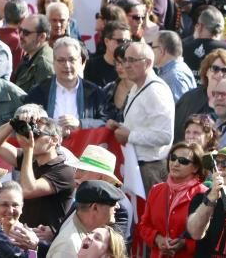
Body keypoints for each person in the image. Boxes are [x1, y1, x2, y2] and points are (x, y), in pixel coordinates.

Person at [0, 108, 76, 231]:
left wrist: (28, 150)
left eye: (36, 134)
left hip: (46, 238)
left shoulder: (64, 169)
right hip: (24, 233)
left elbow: (28, 190)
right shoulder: (29, 158)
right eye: (30, 132)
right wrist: (14, 122)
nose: (31, 137)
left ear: (54, 140)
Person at [106, 42, 174, 192]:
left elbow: (164, 136)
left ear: (147, 63)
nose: (126, 65)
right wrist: (119, 127)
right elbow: (140, 124)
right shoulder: (137, 87)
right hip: (136, 165)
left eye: (132, 60)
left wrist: (130, 136)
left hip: (151, 169)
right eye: (125, 60)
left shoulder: (155, 91)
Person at [137, 142, 208, 258]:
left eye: (183, 161)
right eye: (173, 158)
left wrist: (185, 243)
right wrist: (157, 239)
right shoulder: (156, 190)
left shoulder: (204, 194)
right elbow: (143, 225)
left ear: (195, 168)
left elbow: (210, 236)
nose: (175, 163)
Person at [46, 181, 124, 258]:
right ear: (95, 208)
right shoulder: (70, 246)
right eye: (112, 203)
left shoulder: (81, 227)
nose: (117, 206)